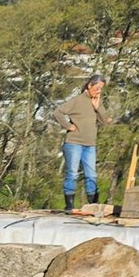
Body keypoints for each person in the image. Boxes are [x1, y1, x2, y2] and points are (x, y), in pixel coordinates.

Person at [56, 75, 110, 212]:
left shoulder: (96, 102)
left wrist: (98, 108)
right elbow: (58, 112)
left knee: (91, 175)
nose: (99, 92)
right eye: (97, 88)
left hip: (90, 144)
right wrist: (68, 126)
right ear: (89, 86)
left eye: (101, 89)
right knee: (72, 174)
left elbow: (105, 121)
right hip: (74, 143)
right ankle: (69, 205)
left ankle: (93, 205)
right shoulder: (77, 100)